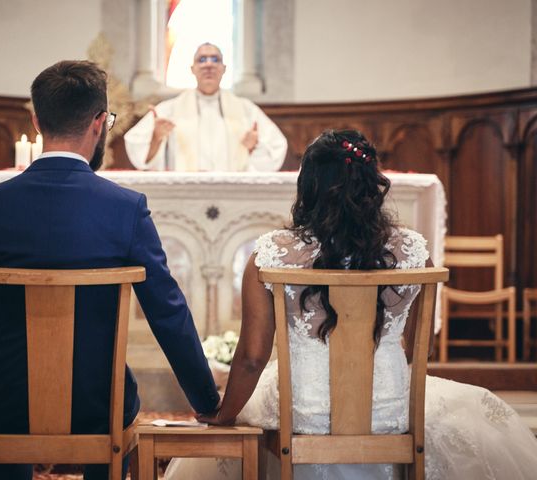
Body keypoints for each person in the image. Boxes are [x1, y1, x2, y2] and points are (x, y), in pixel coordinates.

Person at [165, 130, 537, 479]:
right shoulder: (413, 254)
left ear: (308, 186)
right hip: (391, 408)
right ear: (371, 187)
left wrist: (225, 414)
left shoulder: (273, 254)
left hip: (303, 412)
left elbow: (251, 357)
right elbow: (412, 346)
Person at [0, 60, 220, 480]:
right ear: (100, 123)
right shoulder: (125, 208)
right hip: (100, 403)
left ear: (36, 120)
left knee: (12, 396)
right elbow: (167, 312)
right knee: (114, 394)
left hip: (5, 401)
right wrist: (207, 401)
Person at [124, 42, 287, 172]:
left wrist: (254, 148)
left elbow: (276, 147)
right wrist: (156, 138)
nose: (208, 64)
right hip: (186, 193)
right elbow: (139, 153)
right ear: (192, 69)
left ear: (224, 69)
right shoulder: (169, 110)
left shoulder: (246, 110)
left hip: (232, 192)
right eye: (201, 59)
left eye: (215, 59)